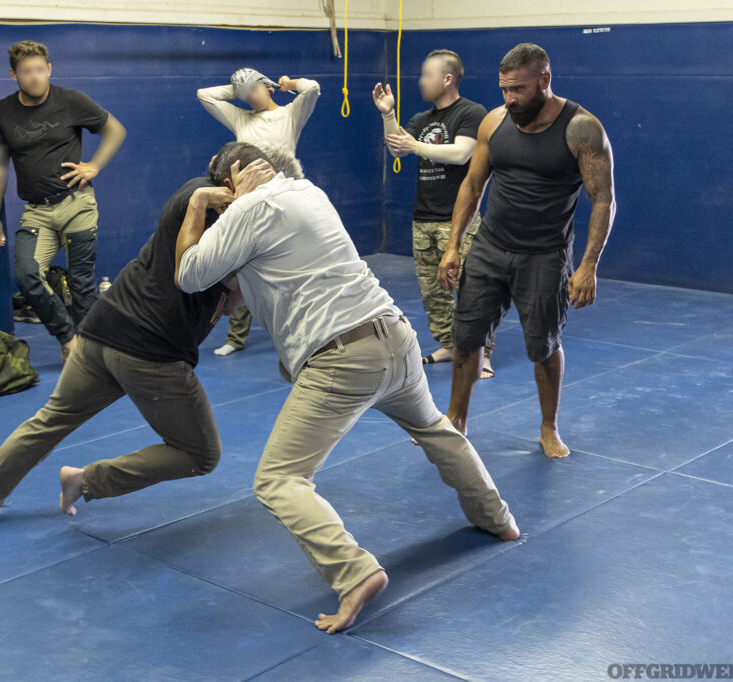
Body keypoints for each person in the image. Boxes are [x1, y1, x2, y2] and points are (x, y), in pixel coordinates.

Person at [175, 141, 520, 634]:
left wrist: (197, 205)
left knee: (278, 480)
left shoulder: (249, 207)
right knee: (435, 429)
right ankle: (498, 518)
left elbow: (189, 275)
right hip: (395, 335)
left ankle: (355, 573)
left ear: (233, 180)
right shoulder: (310, 191)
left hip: (343, 360)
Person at [0, 163, 246, 526]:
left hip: (101, 330)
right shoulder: (211, 210)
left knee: (48, 422)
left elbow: (226, 301)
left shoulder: (192, 193)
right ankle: (86, 479)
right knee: (201, 455)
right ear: (230, 182)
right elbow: (223, 299)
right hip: (152, 354)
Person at [436, 43, 617, 458]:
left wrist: (588, 265)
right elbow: (473, 185)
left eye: (518, 89)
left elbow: (603, 199)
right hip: (490, 247)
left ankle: (548, 428)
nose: (510, 99)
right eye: (504, 89)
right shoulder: (495, 123)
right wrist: (453, 246)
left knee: (544, 345)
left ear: (544, 80)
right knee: (467, 336)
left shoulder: (582, 129)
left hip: (544, 256)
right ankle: (456, 419)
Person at [0, 40, 127, 362]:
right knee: (26, 274)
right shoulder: (1, 113)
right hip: (37, 212)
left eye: (39, 70)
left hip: (77, 204)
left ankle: (88, 352)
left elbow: (115, 130)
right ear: (13, 75)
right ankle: (69, 339)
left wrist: (94, 166)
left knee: (81, 284)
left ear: (48, 69)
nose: (34, 77)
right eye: (26, 72)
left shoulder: (71, 101)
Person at [373, 49, 496, 377]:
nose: (421, 81)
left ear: (447, 79)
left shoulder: (472, 113)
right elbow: (396, 146)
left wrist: (415, 146)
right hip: (423, 219)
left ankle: (480, 353)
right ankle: (450, 344)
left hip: (460, 220)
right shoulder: (420, 120)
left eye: (427, 74)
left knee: (472, 289)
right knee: (433, 292)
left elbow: (461, 153)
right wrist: (388, 115)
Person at [197, 67, 320, 357]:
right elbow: (204, 95)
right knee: (244, 263)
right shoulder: (240, 117)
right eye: (244, 95)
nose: (250, 98)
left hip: (287, 196)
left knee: (292, 264)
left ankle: (305, 330)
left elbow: (312, 88)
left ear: (267, 86)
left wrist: (288, 83)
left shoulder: (290, 114)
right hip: (251, 199)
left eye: (254, 90)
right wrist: (236, 88)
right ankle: (236, 337)